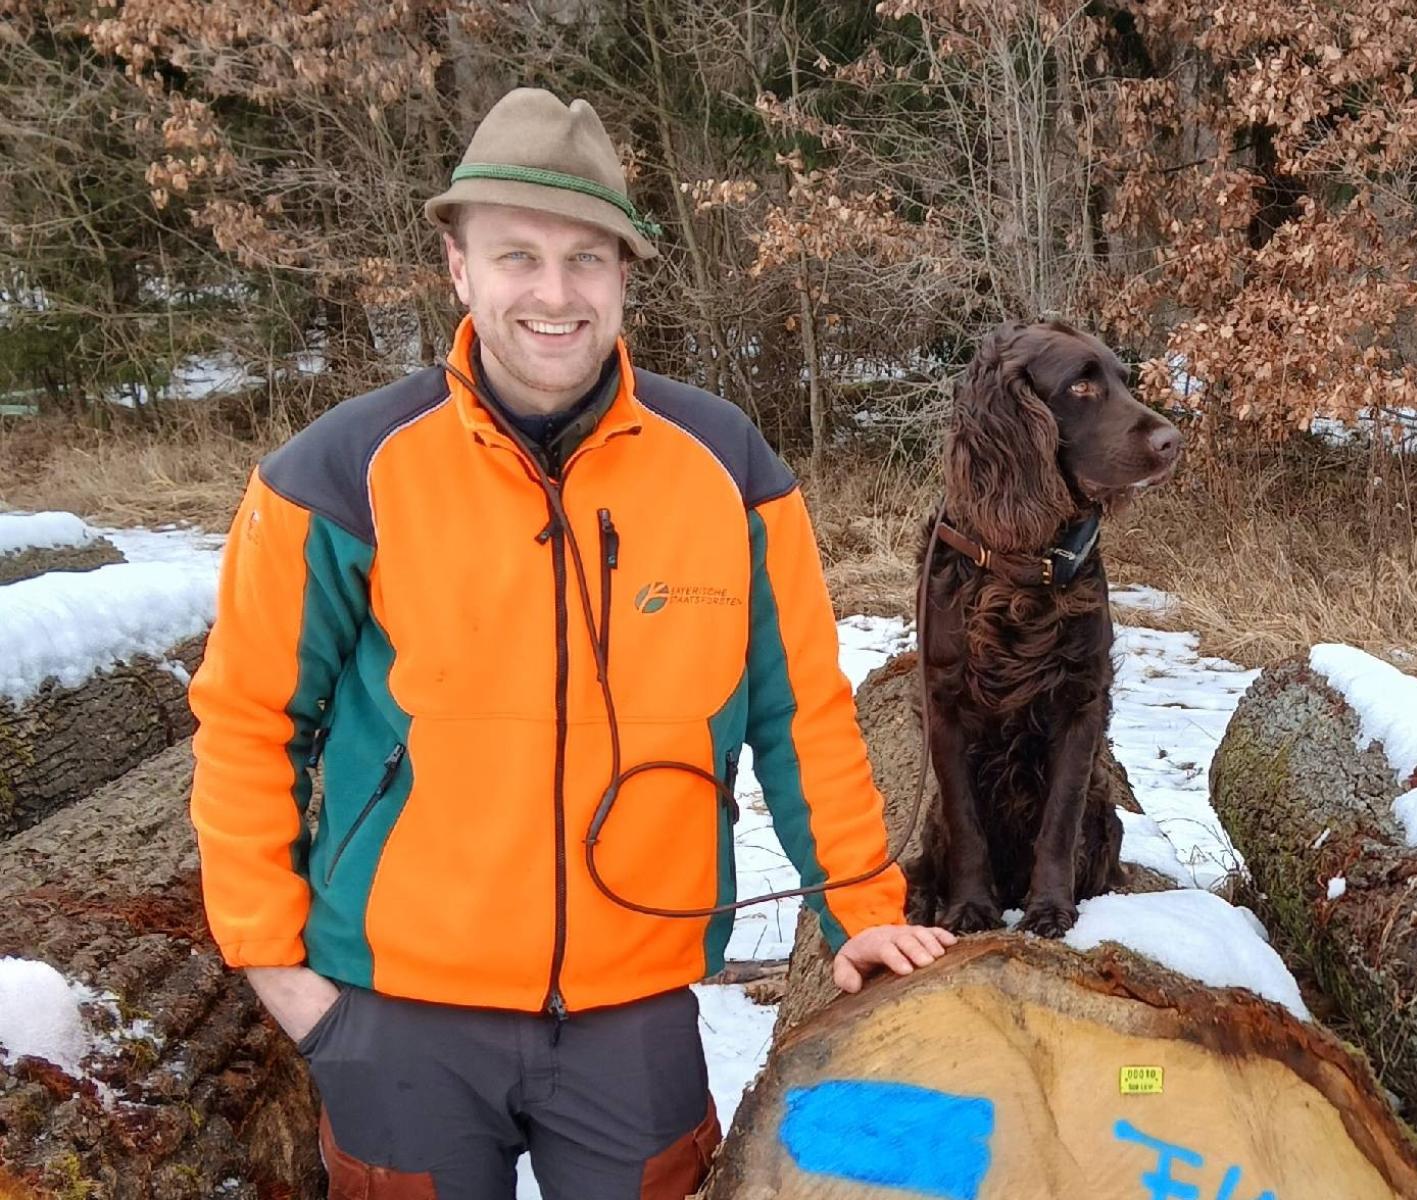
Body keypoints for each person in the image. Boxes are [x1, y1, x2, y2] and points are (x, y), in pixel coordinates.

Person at [188, 87, 953, 1199]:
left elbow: (802, 717)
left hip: (630, 1021)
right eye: (518, 257)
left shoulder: (727, 469)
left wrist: (864, 912)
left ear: (626, 276)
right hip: (399, 1022)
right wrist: (277, 969)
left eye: (587, 260)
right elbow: (249, 718)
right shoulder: (342, 474)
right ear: (459, 267)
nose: (554, 294)